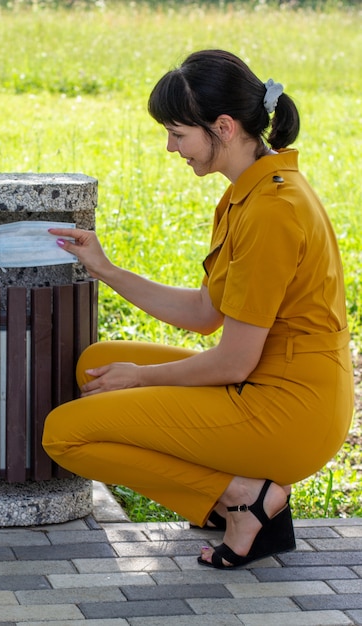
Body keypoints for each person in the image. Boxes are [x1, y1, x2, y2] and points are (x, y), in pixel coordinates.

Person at [42, 50, 354, 569]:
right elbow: (208, 311)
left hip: (290, 416)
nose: (171, 147)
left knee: (65, 433)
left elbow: (233, 362)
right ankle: (238, 496)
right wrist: (108, 269)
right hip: (267, 388)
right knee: (95, 362)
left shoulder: (273, 212)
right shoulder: (248, 193)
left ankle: (243, 498)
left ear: (224, 127)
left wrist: (141, 378)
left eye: (178, 133)